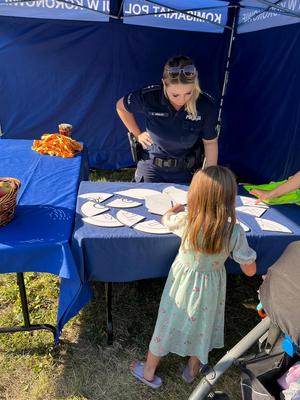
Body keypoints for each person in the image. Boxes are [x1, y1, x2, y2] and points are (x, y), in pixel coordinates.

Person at [130, 166, 257, 389]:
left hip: (182, 284)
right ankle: (192, 368)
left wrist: (173, 210)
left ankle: (149, 371)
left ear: (195, 195)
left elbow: (166, 220)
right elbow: (250, 270)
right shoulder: (234, 231)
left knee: (168, 323)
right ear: (229, 199)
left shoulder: (188, 221)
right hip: (212, 287)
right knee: (204, 325)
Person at [116, 55, 218, 184]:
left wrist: (209, 178)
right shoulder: (150, 97)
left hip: (185, 170)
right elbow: (121, 107)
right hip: (152, 166)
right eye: (175, 95)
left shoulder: (204, 105)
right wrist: (138, 134)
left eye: (188, 93)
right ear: (164, 84)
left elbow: (210, 143)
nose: (182, 100)